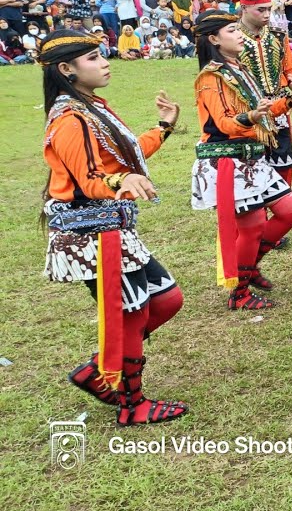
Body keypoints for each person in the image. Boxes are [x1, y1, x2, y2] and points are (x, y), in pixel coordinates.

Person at [38, 28, 188, 425]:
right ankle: (131, 404)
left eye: (101, 55)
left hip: (111, 229)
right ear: (66, 69)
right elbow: (90, 178)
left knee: (166, 300)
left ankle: (99, 368)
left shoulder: (91, 108)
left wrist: (163, 127)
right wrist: (120, 182)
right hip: (92, 236)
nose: (104, 62)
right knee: (132, 316)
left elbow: (125, 156)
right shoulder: (70, 118)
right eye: (92, 58)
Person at [190, 10, 292, 310]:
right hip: (228, 161)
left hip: (251, 157)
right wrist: (251, 116)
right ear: (214, 39)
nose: (239, 34)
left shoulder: (237, 68)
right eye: (231, 31)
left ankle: (249, 266)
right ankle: (239, 292)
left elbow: (265, 113)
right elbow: (225, 123)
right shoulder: (210, 78)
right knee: (253, 226)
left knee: (290, 211)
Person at [234, 0, 292, 187]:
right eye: (260, 10)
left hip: (279, 107)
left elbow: (290, 68)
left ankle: (283, 206)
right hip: (246, 109)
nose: (266, 15)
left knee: (283, 161)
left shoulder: (278, 35)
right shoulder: (230, 36)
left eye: (269, 9)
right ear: (244, 8)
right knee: (250, 165)